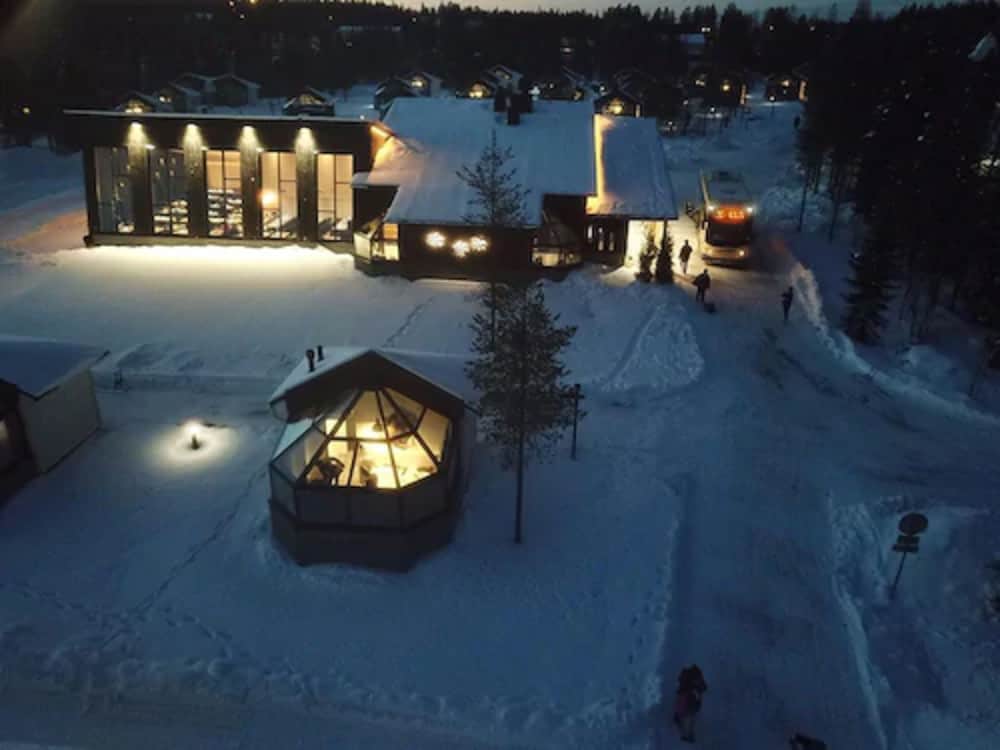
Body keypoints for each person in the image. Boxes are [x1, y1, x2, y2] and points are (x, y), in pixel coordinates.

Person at [673, 665, 708, 742]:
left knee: (686, 714)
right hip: (688, 701)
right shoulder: (693, 681)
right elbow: (703, 687)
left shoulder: (686, 679)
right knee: (689, 716)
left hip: (683, 698)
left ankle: (685, 732)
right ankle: (688, 735)